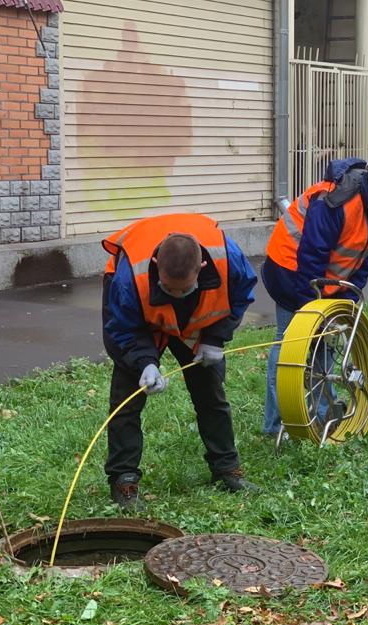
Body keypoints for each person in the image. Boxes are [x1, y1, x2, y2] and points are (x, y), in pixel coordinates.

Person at [102, 213, 258, 507]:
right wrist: (145, 362)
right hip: (142, 321)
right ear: (155, 266)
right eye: (167, 288)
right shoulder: (128, 278)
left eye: (182, 289)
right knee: (126, 400)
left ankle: (226, 468)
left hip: (198, 323)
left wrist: (214, 339)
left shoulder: (228, 259)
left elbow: (240, 295)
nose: (174, 294)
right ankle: (123, 480)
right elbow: (122, 326)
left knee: (211, 394)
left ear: (201, 268)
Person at [261, 143, 368, 438]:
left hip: (325, 278)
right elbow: (312, 256)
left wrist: (343, 301)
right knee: (289, 344)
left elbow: (367, 259)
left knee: (323, 343)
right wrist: (313, 310)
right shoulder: (334, 201)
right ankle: (276, 423)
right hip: (289, 270)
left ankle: (321, 414)